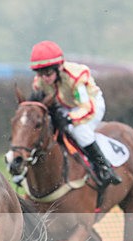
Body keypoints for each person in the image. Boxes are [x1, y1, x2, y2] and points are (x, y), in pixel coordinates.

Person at [29, 40, 121, 188]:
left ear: (59, 68)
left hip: (91, 104)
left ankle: (104, 167)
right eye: (40, 73)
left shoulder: (74, 77)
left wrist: (70, 118)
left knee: (79, 130)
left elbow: (86, 107)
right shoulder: (39, 82)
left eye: (48, 73)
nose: (45, 78)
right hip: (65, 107)